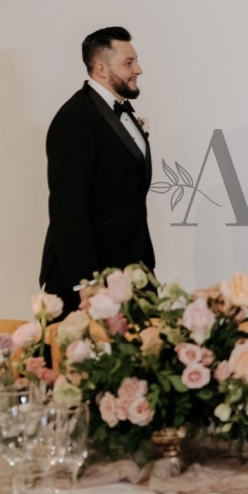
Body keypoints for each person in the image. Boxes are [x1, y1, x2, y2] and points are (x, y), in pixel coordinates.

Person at [38, 27, 154, 314]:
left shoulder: (120, 110)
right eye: (128, 63)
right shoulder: (75, 118)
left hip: (130, 267)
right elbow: (68, 207)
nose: (138, 69)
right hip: (91, 277)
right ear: (101, 68)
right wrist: (87, 281)